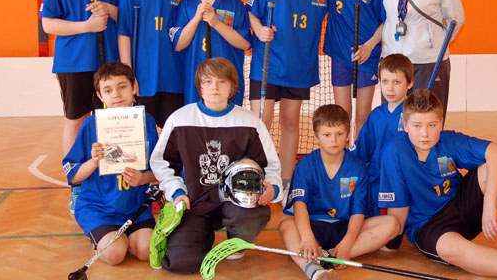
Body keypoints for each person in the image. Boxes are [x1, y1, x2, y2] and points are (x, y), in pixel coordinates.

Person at [378, 89, 497, 280]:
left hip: (461, 206)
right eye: (417, 125)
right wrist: (391, 242)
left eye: (431, 125)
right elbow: (398, 211)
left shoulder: (448, 141)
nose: (424, 134)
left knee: (496, 167)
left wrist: (489, 204)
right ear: (405, 125)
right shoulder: (394, 152)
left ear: (441, 123)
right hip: (429, 226)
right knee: (450, 249)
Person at [149, 57, 283, 273]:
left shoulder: (250, 122)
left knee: (251, 216)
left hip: (236, 204)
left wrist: (272, 188)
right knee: (181, 262)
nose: (215, 87)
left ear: (232, 87)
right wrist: (177, 192)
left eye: (222, 82)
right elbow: (161, 162)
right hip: (195, 203)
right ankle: (200, 236)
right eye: (208, 81)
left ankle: (236, 241)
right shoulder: (179, 119)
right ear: (199, 86)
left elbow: (270, 166)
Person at [261, 0, 384, 139]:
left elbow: (387, 20)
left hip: (367, 55)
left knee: (363, 114)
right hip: (339, 54)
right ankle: (343, 153)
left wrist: (370, 45)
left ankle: (362, 154)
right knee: (343, 114)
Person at [248, 0, 328, 189]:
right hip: (268, 62)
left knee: (291, 122)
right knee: (261, 122)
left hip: (300, 65)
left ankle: (285, 181)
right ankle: (254, 177)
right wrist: (259, 30)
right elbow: (252, 12)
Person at [40, 0, 126, 155]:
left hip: (108, 62)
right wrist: (86, 26)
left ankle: (112, 172)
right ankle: (74, 174)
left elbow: (128, 18)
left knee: (110, 120)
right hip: (73, 62)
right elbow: (48, 23)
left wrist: (110, 9)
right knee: (75, 120)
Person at [280, 104, 400, 280]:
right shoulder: (305, 165)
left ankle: (330, 256)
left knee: (392, 224)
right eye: (327, 135)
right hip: (314, 225)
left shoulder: (357, 167)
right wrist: (307, 238)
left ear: (348, 135)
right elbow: (300, 205)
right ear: (316, 137)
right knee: (286, 226)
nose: (334, 140)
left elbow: (358, 211)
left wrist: (348, 243)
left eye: (339, 134)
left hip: (345, 226)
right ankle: (313, 269)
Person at [62, 61, 158, 265]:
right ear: (100, 96)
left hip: (135, 205)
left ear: (134, 87)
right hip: (98, 207)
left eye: (122, 87)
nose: (116, 94)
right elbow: (73, 176)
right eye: (108, 90)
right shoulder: (90, 125)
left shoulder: (147, 122)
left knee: (146, 251)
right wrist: (94, 162)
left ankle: (120, 236)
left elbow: (159, 171)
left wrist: (143, 178)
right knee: (115, 254)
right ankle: (102, 236)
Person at [118, 0, 194, 128]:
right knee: (142, 136)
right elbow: (124, 32)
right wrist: (128, 74)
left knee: (174, 135)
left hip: (175, 75)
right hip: (142, 77)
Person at [171, 0, 251, 106]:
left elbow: (245, 44)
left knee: (228, 119)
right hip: (195, 81)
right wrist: (196, 19)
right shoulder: (186, 6)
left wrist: (216, 23)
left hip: (227, 80)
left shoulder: (234, 4)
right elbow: (179, 44)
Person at [349, 53, 413, 217]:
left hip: (403, 182)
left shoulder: (415, 116)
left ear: (410, 83)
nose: (389, 88)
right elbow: (361, 150)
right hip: (376, 182)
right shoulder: (376, 115)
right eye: (385, 81)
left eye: (396, 82)